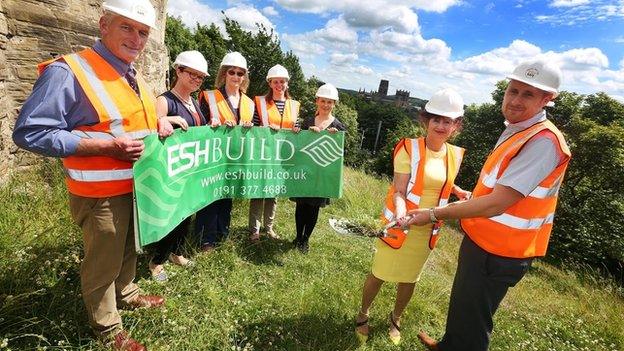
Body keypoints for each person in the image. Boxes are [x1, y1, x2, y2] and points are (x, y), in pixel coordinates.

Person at [12, 0, 169, 349]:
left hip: (135, 187)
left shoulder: (132, 74)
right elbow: (30, 132)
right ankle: (107, 328)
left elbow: (128, 121)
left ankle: (127, 292)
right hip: (100, 193)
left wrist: (158, 122)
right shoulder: (69, 71)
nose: (137, 38)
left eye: (143, 32)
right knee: (103, 260)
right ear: (103, 25)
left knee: (129, 247)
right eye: (127, 27)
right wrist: (106, 147)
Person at [413, 60, 571, 351]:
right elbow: (498, 189)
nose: (515, 100)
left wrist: (435, 213)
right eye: (513, 91)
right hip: (483, 240)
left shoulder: (544, 141)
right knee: (464, 305)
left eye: (528, 94)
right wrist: (473, 198)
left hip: (500, 251)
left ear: (547, 100)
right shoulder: (518, 129)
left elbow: (498, 203)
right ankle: (448, 345)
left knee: (474, 322)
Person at [354, 88, 471, 345]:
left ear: (456, 125)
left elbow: (441, 180)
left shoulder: (455, 154)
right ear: (426, 120)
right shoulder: (408, 148)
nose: (441, 125)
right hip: (400, 223)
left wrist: (458, 190)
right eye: (436, 119)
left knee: (410, 278)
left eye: (447, 121)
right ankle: (363, 314)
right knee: (380, 273)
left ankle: (396, 318)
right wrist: (401, 213)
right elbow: (399, 190)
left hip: (428, 229)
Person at [148, 50, 209, 281]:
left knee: (186, 216)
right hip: (171, 172)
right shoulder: (165, 100)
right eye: (192, 74)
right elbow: (151, 129)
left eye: (200, 77)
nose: (196, 79)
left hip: (190, 171)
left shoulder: (194, 102)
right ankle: (157, 261)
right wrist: (166, 120)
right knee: (171, 217)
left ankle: (177, 252)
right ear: (178, 71)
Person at [196, 52, 254, 252]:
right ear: (224, 73)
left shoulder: (249, 103)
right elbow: (200, 126)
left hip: (234, 158)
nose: (236, 77)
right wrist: (215, 125)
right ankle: (206, 239)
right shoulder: (209, 96)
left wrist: (248, 127)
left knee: (227, 197)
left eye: (240, 73)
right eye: (232, 72)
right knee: (211, 198)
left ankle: (222, 234)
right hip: (213, 157)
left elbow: (254, 132)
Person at [248, 64, 301, 241]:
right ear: (270, 83)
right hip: (262, 153)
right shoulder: (260, 102)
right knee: (258, 192)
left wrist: (296, 129)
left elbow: (297, 127)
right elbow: (254, 126)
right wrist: (264, 128)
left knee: (273, 193)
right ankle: (254, 230)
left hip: (281, 156)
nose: (279, 85)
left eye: (282, 82)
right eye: (275, 82)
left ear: (287, 84)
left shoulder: (294, 105)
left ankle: (268, 228)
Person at [291, 83, 345, 253]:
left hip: (322, 175)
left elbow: (341, 152)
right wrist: (301, 131)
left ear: (334, 104)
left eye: (330, 102)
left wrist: (334, 137)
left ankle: (306, 240)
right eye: (323, 101)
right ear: (317, 101)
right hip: (306, 172)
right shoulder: (307, 121)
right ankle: (298, 236)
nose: (326, 105)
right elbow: (298, 144)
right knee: (301, 206)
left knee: (313, 208)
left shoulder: (339, 126)